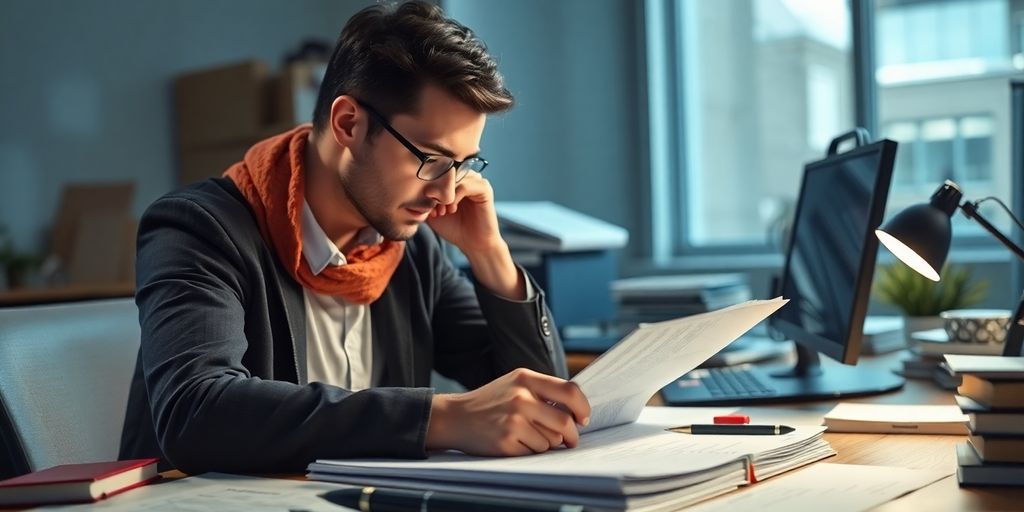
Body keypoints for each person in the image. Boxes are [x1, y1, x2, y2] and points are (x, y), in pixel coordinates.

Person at [118, 1, 592, 474]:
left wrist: (491, 256)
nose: (447, 191)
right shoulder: (199, 229)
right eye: (430, 158)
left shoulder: (411, 246)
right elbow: (197, 412)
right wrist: (439, 418)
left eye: (463, 164)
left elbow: (540, 404)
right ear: (348, 123)